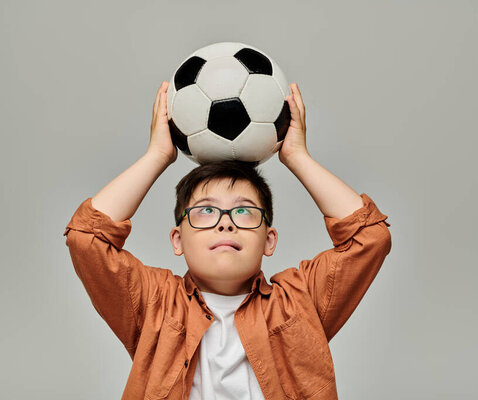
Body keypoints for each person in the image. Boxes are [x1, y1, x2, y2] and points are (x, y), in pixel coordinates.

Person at [63, 81, 392, 399]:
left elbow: (369, 237)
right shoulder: (153, 305)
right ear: (177, 240)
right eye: (206, 211)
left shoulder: (301, 301)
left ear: (269, 240)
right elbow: (86, 238)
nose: (225, 225)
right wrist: (157, 155)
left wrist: (297, 157)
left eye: (244, 212)